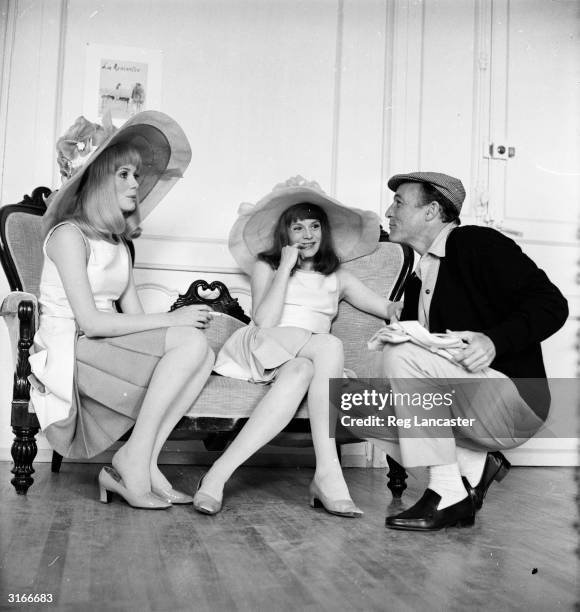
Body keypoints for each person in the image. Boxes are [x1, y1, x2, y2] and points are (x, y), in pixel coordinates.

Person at [347, 171, 568, 531]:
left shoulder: (478, 244)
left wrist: (494, 340)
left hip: (515, 405)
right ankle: (471, 466)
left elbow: (552, 304)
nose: (389, 211)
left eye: (399, 202)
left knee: (400, 354)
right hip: (471, 408)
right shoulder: (419, 279)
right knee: (354, 403)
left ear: (432, 211)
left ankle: (448, 492)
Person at [29, 111, 215, 510]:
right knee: (187, 341)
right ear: (97, 180)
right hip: (72, 348)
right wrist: (173, 319)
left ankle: (142, 460)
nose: (136, 184)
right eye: (125, 175)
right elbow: (91, 321)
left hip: (100, 342)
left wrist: (176, 328)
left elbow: (132, 315)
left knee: (202, 349)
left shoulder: (117, 244)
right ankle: (133, 462)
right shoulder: (67, 236)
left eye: (135, 174)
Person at [192, 176, 402, 517]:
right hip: (265, 345)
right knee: (329, 345)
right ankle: (329, 473)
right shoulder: (268, 267)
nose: (308, 235)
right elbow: (265, 320)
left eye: (315, 226)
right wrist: (285, 268)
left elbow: (386, 308)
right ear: (284, 236)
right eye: (298, 228)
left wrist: (419, 301)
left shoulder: (339, 279)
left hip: (302, 358)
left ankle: (216, 477)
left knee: (304, 370)